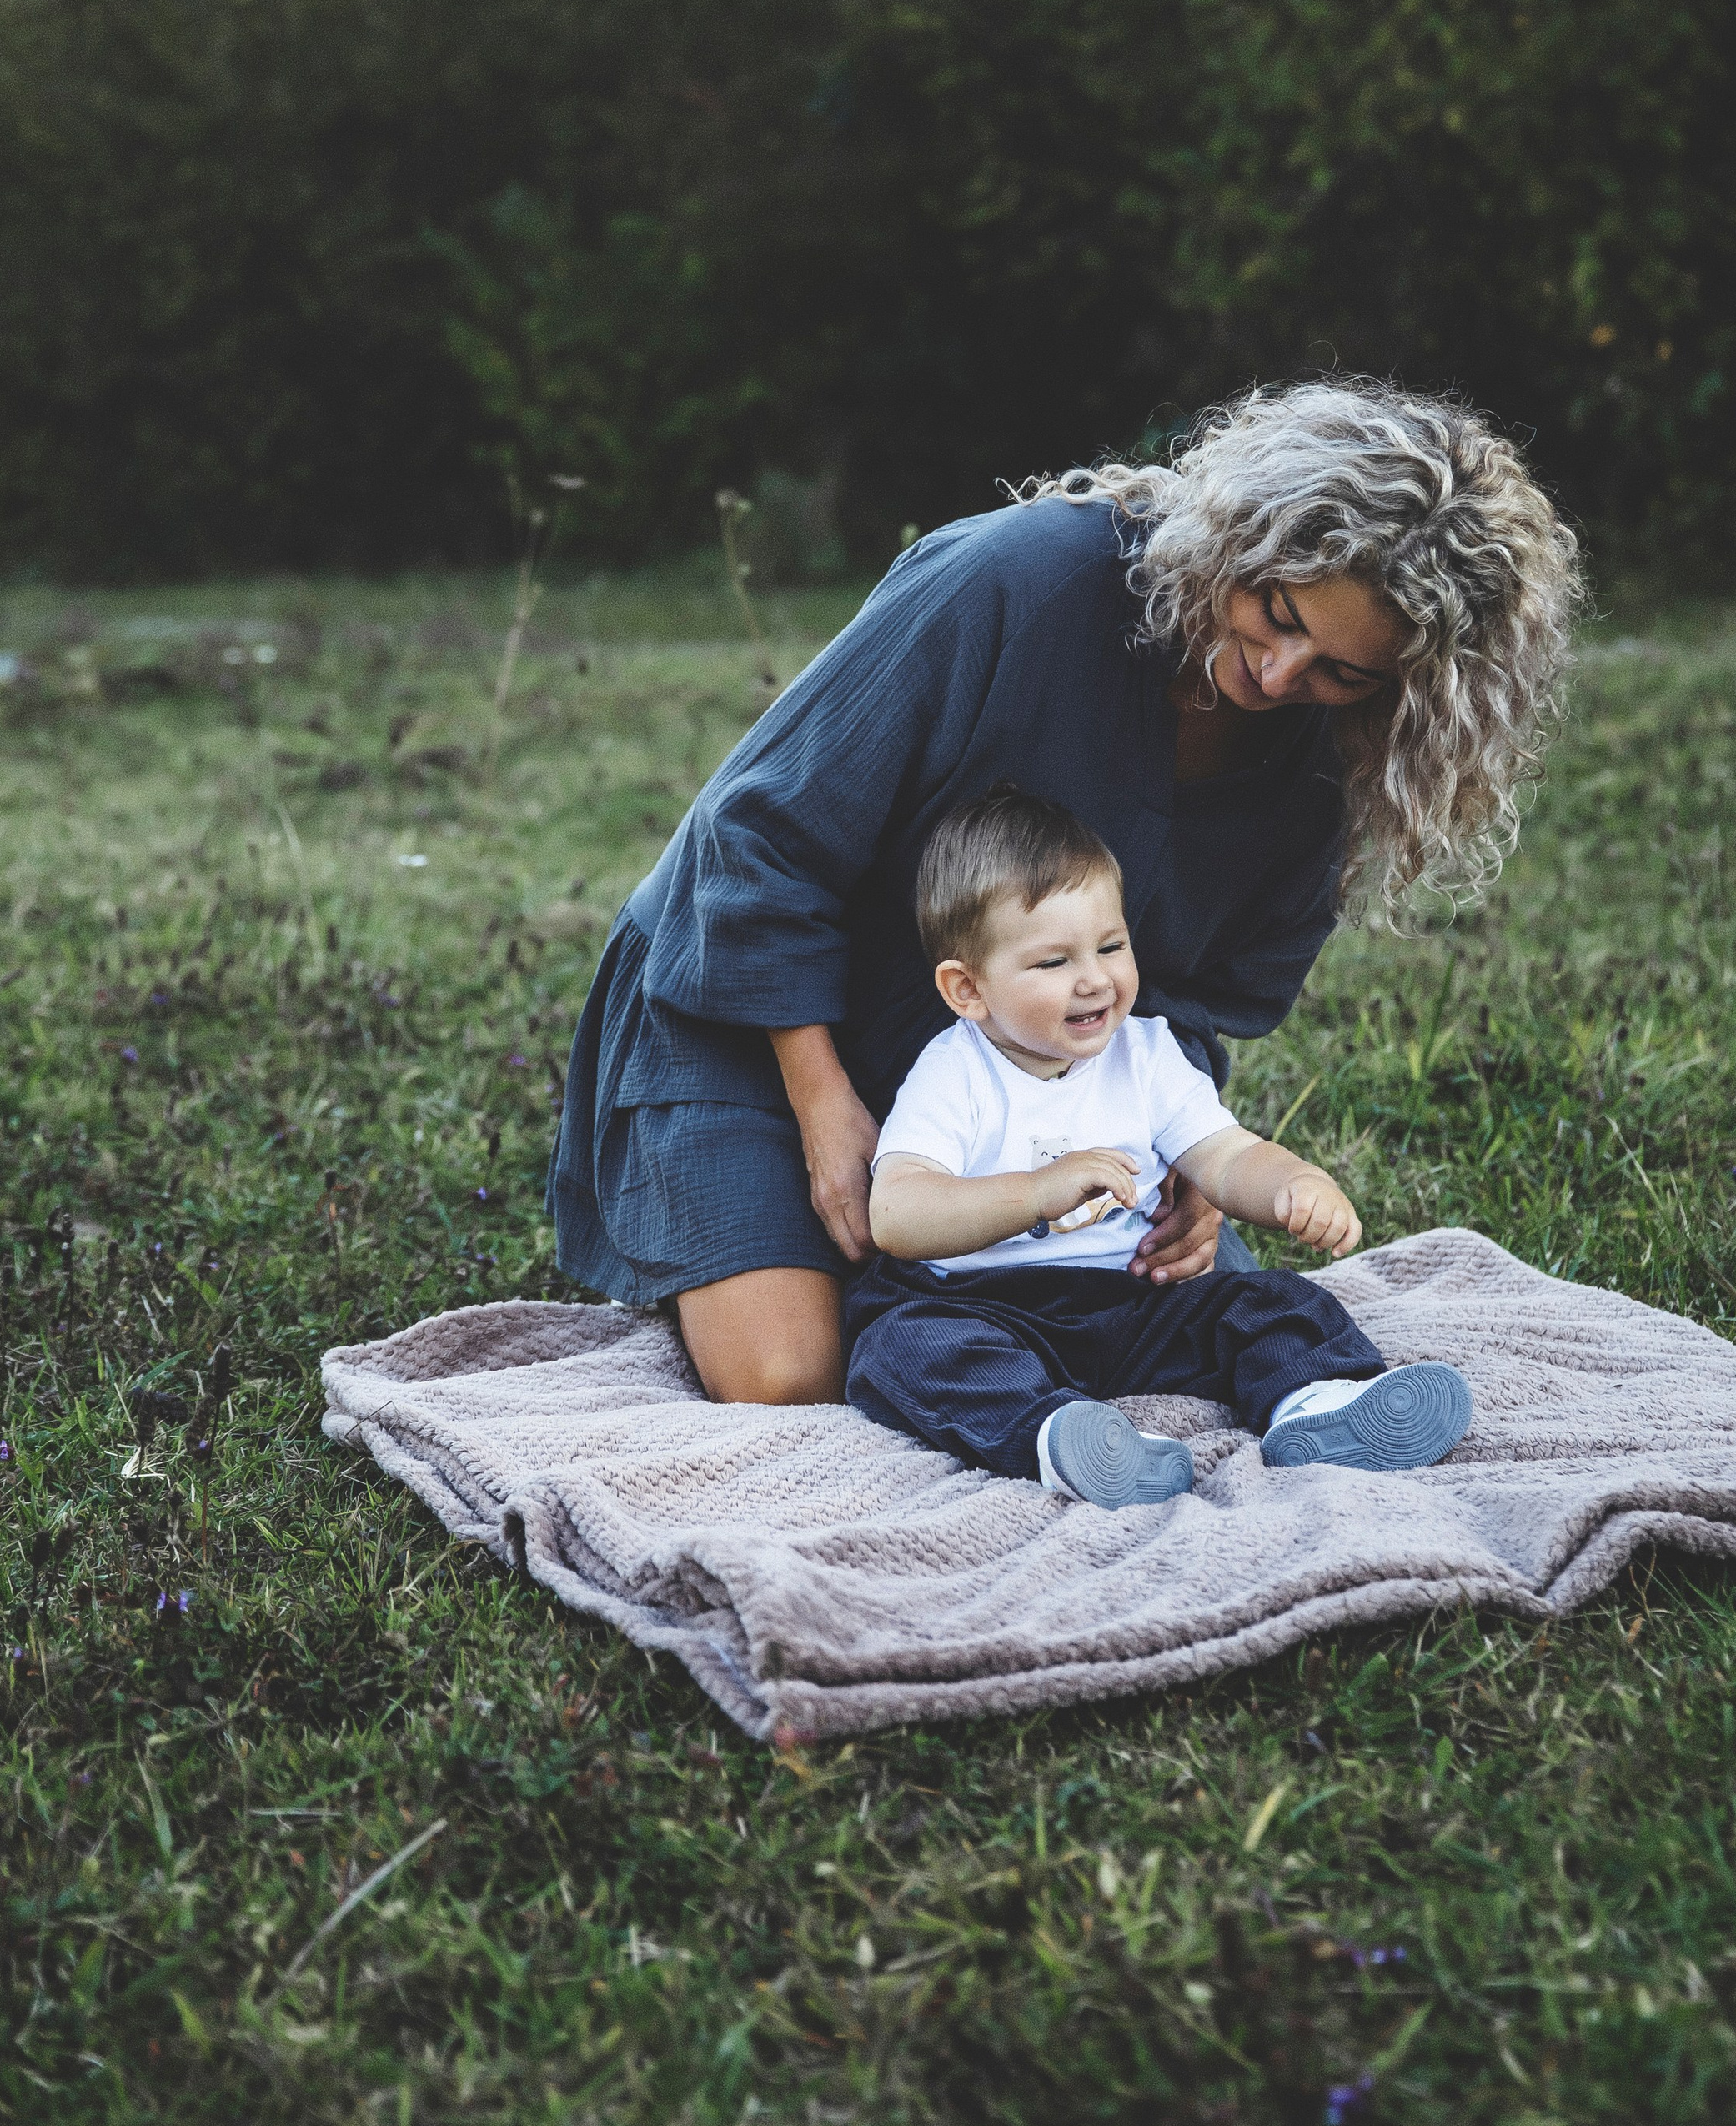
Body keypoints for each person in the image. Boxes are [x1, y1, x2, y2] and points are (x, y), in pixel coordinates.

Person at [549, 376, 1580, 1406]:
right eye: (1275, 614)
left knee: (1164, 1348)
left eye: (1342, 671)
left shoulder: (1331, 758)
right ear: (1245, 538)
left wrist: (1186, 1158)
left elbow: (1201, 998)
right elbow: (756, 839)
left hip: (1044, 1078)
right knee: (792, 1376)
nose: (1278, 676)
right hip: (756, 1014)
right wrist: (828, 1114)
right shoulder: (1012, 582)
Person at [848, 786, 1472, 1502]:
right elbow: (897, 1215)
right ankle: (1057, 1437)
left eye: (1112, 946)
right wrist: (1036, 1194)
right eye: (1053, 963)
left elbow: (1227, 1155)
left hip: (1130, 1300)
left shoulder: (1146, 1055)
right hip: (980, 1305)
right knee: (908, 1348)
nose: (1095, 979)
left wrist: (1293, 1184)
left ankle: (1317, 1404)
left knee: (1268, 1301)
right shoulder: (953, 1072)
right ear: (969, 990)